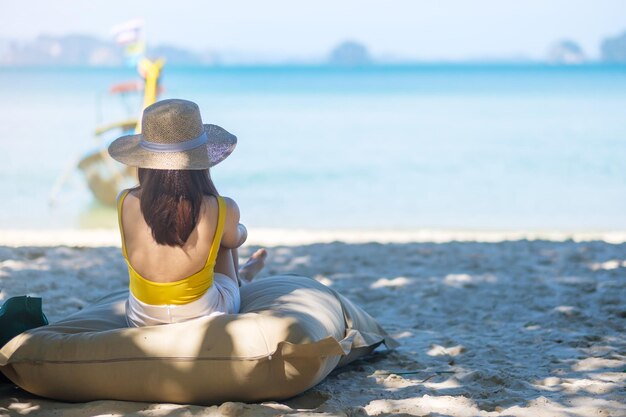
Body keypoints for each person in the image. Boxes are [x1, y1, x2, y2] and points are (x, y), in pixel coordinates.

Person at [108, 98, 266, 327]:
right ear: (201, 161)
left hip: (141, 319)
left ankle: (240, 276)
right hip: (205, 316)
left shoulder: (124, 201)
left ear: (144, 161)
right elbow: (235, 240)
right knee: (223, 235)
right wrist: (239, 229)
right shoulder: (220, 207)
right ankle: (241, 278)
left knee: (216, 229)